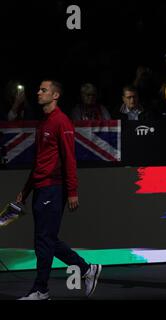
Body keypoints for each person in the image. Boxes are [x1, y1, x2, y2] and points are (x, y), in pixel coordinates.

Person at [16, 80, 102, 300]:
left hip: (54, 189)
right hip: (39, 189)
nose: (38, 92)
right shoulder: (43, 123)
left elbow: (70, 159)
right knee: (45, 240)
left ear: (55, 95)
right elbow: (39, 161)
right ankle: (86, 269)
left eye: (43, 90)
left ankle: (41, 290)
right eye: (39, 89)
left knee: (44, 240)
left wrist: (72, 191)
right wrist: (25, 191)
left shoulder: (61, 121)